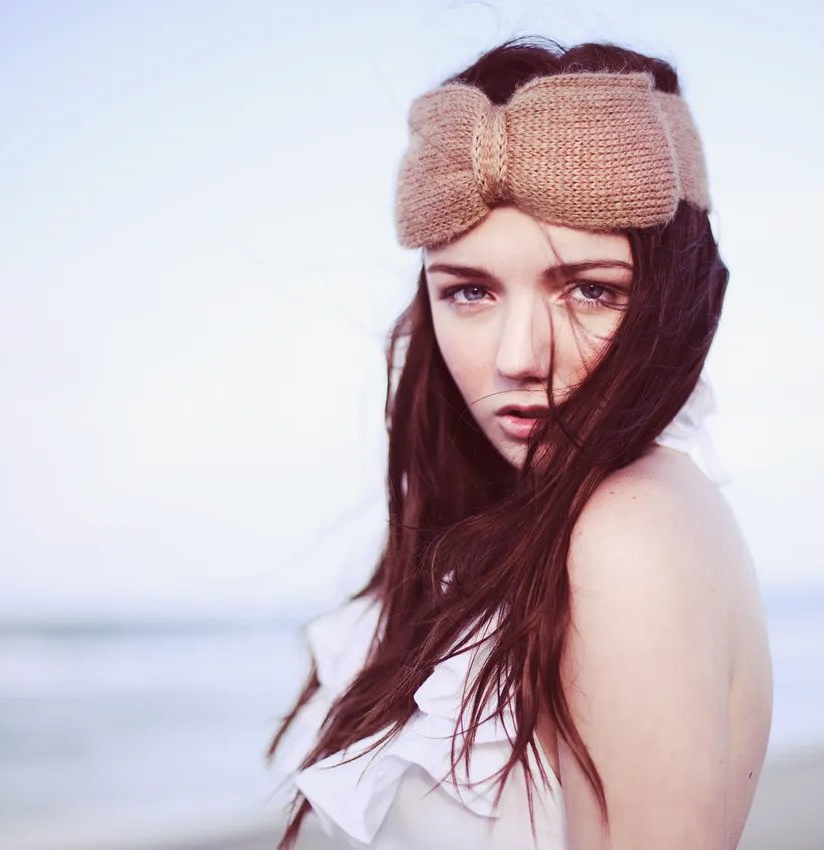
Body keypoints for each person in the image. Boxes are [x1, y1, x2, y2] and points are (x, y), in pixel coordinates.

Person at [268, 38, 772, 850]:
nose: (518, 358)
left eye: (590, 290)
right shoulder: (554, 522)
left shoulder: (629, 531)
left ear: (667, 297)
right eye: (470, 291)